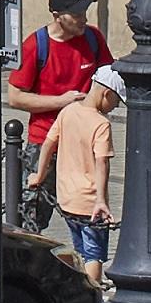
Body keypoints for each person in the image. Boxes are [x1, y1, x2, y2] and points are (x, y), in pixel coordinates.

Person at [6, 0, 114, 153]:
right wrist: (62, 101)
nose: (83, 19)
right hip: (45, 142)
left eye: (84, 13)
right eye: (76, 15)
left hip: (85, 139)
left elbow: (109, 82)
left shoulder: (94, 38)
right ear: (57, 16)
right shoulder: (35, 46)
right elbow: (15, 97)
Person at [36, 67, 119, 263]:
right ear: (106, 94)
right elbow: (102, 163)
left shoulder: (68, 111)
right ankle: (93, 291)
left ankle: (81, 286)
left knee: (79, 250)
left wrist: (39, 175)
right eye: (116, 101)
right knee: (94, 256)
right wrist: (101, 200)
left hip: (67, 198)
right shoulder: (101, 124)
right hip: (90, 203)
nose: (115, 106)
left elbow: (48, 143)